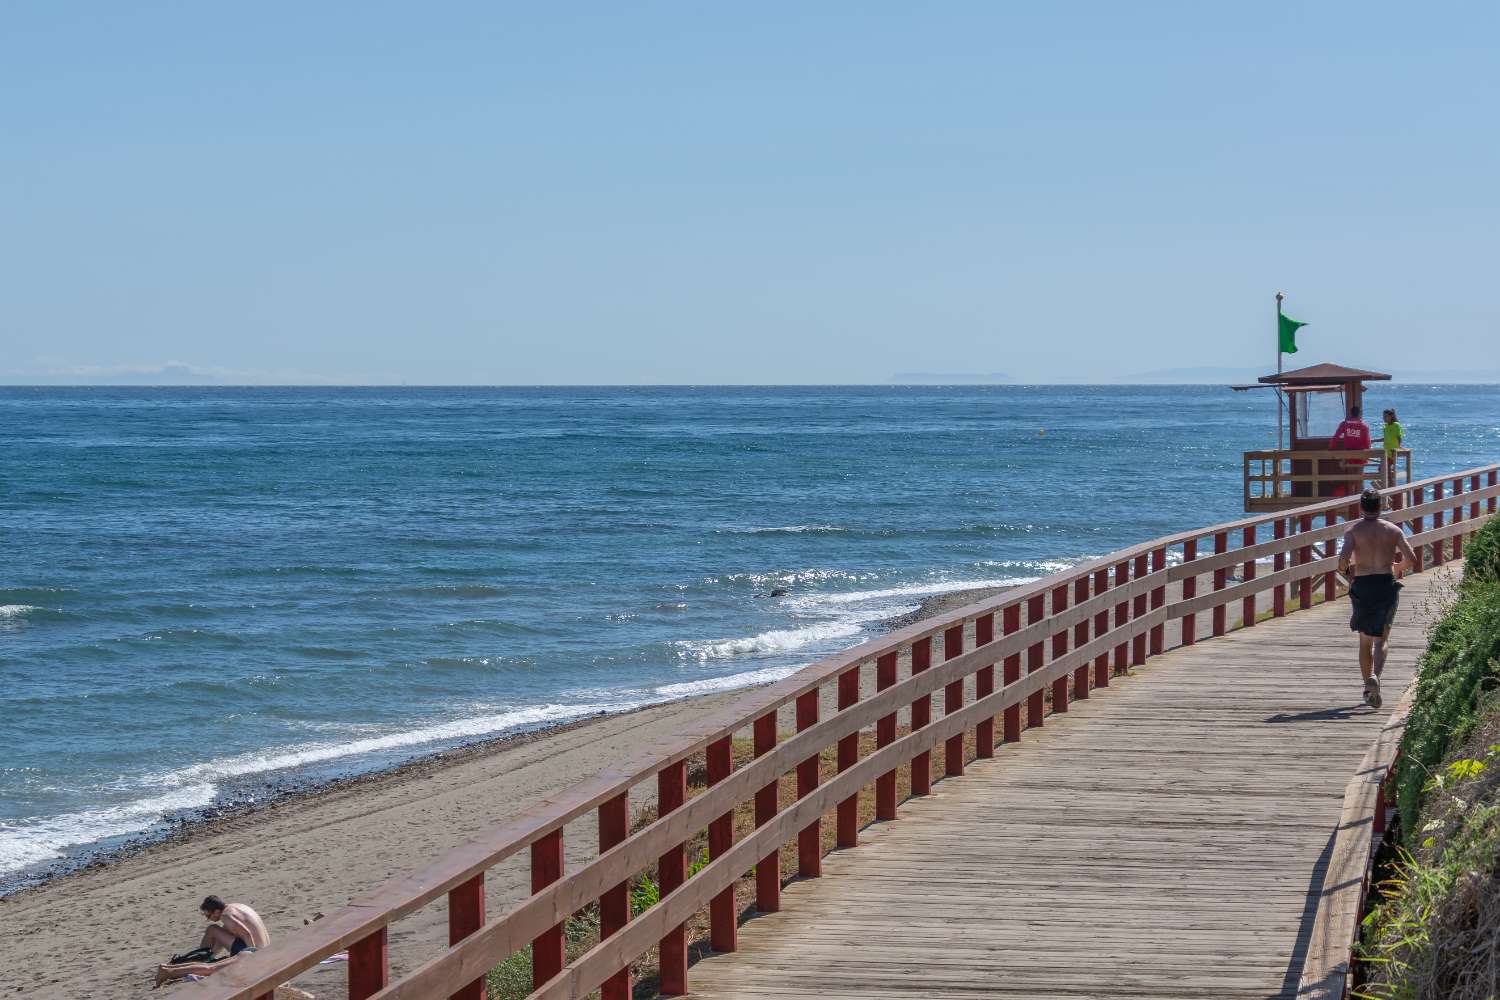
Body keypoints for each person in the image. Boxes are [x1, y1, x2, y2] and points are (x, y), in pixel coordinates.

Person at [1337, 489, 1419, 709]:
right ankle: (1376, 676)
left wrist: (1348, 575)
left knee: (1365, 640)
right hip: (1385, 584)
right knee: (1381, 639)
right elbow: (1411, 559)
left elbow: (1343, 560)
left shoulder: (1353, 531)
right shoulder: (1392, 530)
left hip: (1363, 586)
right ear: (1380, 507)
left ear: (1361, 507)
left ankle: (1367, 687)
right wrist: (1396, 568)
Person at [153, 896, 271, 988]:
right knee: (213, 935)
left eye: (208, 915)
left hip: (255, 952)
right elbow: (235, 931)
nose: (208, 919)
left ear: (216, 911)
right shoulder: (237, 907)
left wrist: (254, 957)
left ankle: (172, 969)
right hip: (266, 949)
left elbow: (246, 934)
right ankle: (195, 960)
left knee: (210, 967)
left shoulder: (226, 915)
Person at [1329, 404, 1372, 496]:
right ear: (1360, 414)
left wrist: (1331, 448)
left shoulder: (1344, 424)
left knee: (1351, 479)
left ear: (1351, 413)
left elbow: (1335, 437)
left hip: (1349, 454)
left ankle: (1351, 500)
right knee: (1360, 478)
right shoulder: (1364, 426)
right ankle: (1360, 500)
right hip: (1361, 455)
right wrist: (1367, 456)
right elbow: (1367, 443)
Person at [1381, 408, 1405, 487]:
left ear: (1390, 416)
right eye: (1383, 417)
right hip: (1386, 452)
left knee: (1386, 469)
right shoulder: (1385, 426)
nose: (1384, 418)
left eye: (1385, 416)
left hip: (1393, 452)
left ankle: (1391, 486)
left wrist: (1399, 447)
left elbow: (1399, 437)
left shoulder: (1396, 425)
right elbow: (1385, 438)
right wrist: (1373, 440)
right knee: (1384, 469)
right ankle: (1390, 485)